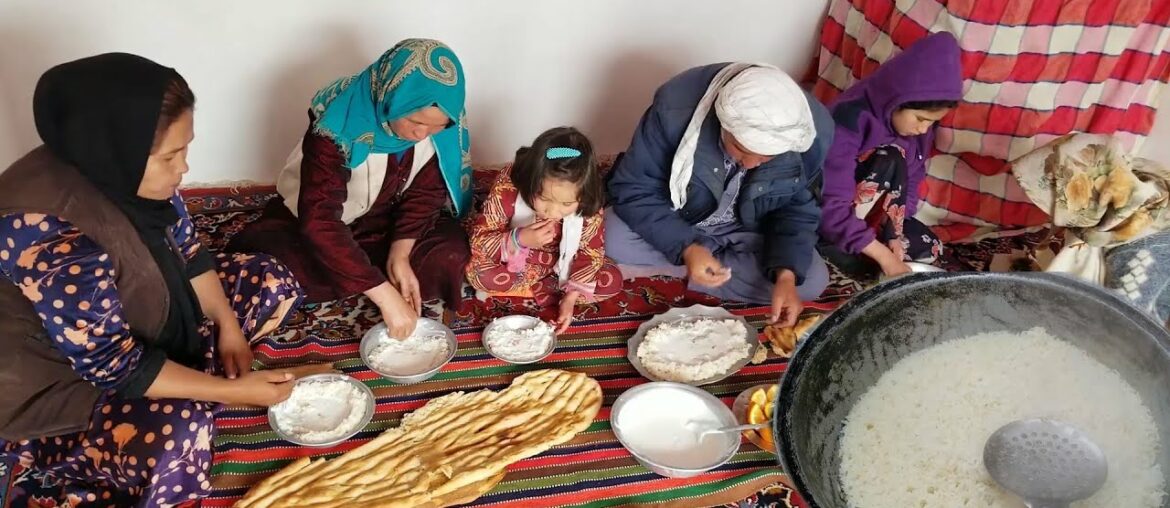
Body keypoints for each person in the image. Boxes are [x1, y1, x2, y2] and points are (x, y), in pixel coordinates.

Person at [0, 53, 303, 507]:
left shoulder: (122, 168)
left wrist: (229, 327)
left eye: (185, 149)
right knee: (177, 436)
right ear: (119, 147)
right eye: (170, 156)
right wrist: (231, 392)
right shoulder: (45, 228)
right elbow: (111, 364)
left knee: (272, 280)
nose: (183, 169)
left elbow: (187, 248)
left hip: (147, 310)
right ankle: (69, 449)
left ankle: (193, 375)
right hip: (65, 380)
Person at [226, 38, 472, 338]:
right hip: (333, 221)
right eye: (413, 120)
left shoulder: (446, 124)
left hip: (389, 220)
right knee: (279, 264)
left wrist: (401, 253)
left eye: (435, 126)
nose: (421, 133)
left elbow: (426, 193)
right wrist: (384, 295)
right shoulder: (338, 123)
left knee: (451, 252)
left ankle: (368, 270)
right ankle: (368, 277)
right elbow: (320, 219)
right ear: (390, 97)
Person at [605, 63, 833, 326]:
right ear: (722, 123)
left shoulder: (807, 135)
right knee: (612, 235)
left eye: (764, 157)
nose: (748, 164)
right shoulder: (674, 111)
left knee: (812, 280)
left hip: (747, 230)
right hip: (680, 217)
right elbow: (633, 189)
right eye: (739, 148)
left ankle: (684, 269)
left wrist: (785, 276)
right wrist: (687, 247)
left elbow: (799, 212)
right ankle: (700, 264)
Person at [817, 32, 962, 278]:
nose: (923, 129)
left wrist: (897, 230)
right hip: (826, 216)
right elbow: (830, 204)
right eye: (921, 119)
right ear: (897, 100)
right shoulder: (848, 120)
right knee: (891, 157)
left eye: (932, 122)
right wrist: (883, 254)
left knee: (930, 248)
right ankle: (837, 246)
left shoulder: (915, 129)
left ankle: (863, 248)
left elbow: (913, 174)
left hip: (870, 220)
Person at [466, 127, 621, 332]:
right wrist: (520, 239)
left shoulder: (588, 200)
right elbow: (480, 239)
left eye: (566, 204)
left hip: (559, 265)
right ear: (531, 182)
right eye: (544, 199)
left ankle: (532, 289)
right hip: (517, 259)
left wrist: (571, 298)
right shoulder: (509, 184)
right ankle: (543, 289)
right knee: (478, 273)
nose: (553, 211)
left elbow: (591, 252)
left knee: (612, 281)